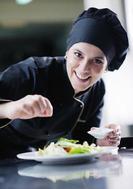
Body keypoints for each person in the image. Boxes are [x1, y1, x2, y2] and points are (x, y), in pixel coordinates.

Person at [0, 7, 129, 158]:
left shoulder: (97, 91)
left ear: (107, 68)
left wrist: (101, 141)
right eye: (78, 54)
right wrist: (9, 109)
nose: (84, 69)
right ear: (67, 52)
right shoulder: (33, 71)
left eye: (97, 61)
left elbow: (83, 141)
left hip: (30, 160)